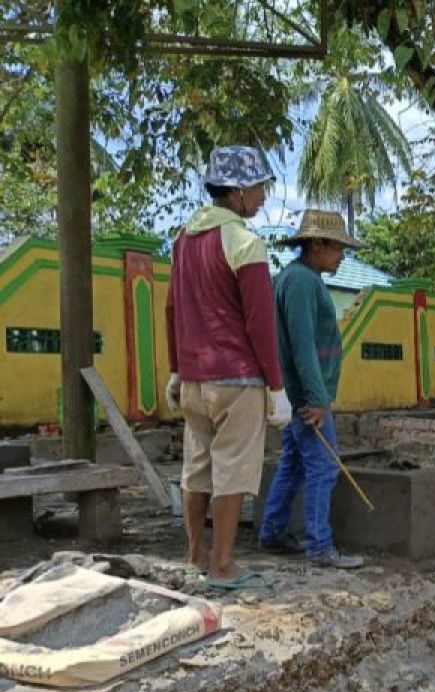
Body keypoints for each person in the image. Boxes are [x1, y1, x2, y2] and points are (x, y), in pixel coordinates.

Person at [165, 145, 291, 590]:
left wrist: (176, 369)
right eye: (258, 188)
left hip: (195, 381)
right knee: (233, 469)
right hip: (237, 379)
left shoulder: (183, 240)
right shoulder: (244, 243)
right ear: (237, 192)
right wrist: (276, 387)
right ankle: (222, 565)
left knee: (196, 468)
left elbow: (171, 308)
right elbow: (261, 324)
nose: (262, 197)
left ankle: (196, 555)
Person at [257, 210, 365, 569]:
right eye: (337, 248)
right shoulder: (301, 282)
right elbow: (302, 346)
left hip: (295, 393)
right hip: (306, 397)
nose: (341, 257)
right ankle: (320, 545)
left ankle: (272, 532)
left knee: (293, 465)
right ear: (317, 244)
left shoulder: (295, 279)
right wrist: (318, 400)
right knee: (324, 467)